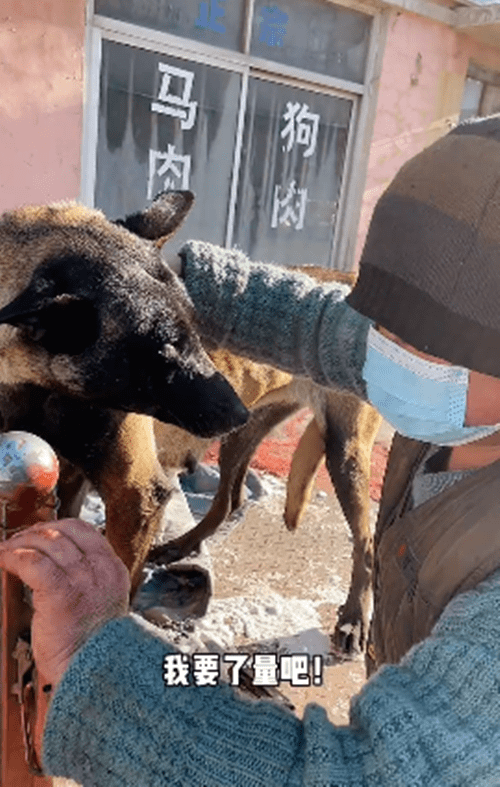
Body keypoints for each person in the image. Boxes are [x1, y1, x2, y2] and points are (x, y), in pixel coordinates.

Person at [2, 113, 500, 785]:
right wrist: (156, 281)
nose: (381, 351)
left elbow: (371, 774)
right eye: (382, 317)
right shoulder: (467, 394)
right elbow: (326, 325)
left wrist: (103, 673)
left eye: (424, 340)